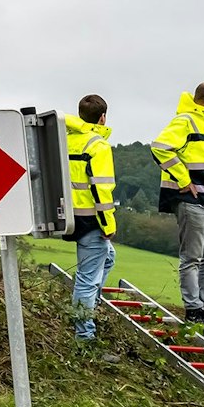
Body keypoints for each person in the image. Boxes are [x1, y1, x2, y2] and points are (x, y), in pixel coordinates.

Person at [151, 81, 204, 334]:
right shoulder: (186, 120)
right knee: (193, 258)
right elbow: (160, 147)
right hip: (194, 202)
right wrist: (184, 181)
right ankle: (194, 310)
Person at [65, 95, 118, 341]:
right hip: (92, 220)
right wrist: (108, 224)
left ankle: (89, 302)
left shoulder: (65, 141)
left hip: (69, 216)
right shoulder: (98, 146)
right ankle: (84, 334)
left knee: (109, 258)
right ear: (102, 117)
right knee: (86, 280)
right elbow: (101, 189)